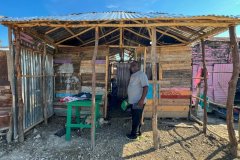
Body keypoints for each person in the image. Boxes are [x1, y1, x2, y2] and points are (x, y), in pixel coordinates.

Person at [126, 61, 149, 140]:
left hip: (138, 101)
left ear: (138, 67)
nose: (132, 66)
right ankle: (138, 132)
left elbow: (146, 87)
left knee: (136, 118)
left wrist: (142, 100)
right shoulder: (133, 75)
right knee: (136, 117)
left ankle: (133, 135)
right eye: (131, 65)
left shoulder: (141, 74)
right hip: (134, 101)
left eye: (134, 65)